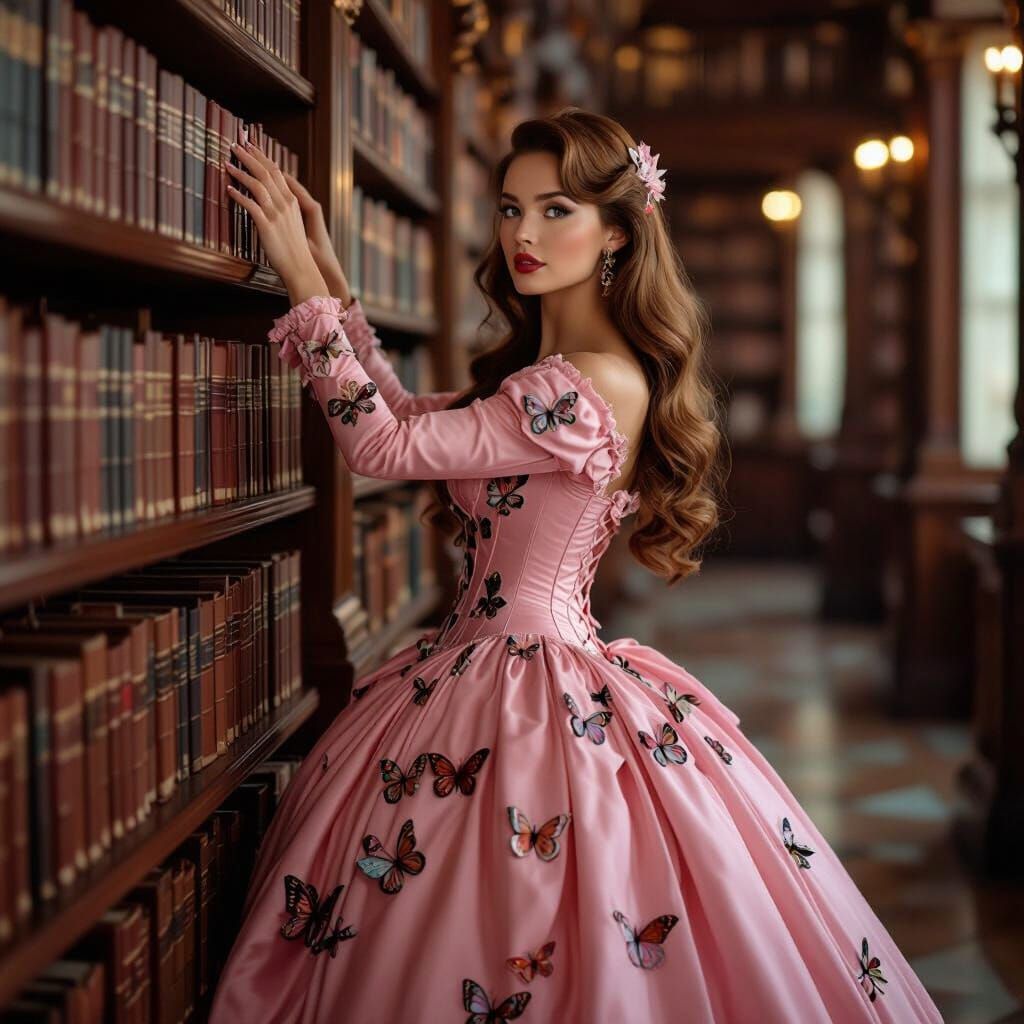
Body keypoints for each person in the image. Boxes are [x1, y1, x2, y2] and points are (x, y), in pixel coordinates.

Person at [208, 108, 943, 1023]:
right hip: (477, 672)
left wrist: (299, 289)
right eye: (511, 208)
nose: (523, 233)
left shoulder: (589, 382)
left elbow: (378, 446)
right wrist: (328, 282)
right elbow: (409, 418)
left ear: (618, 233)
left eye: (557, 210)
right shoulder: (545, 373)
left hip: (526, 681)